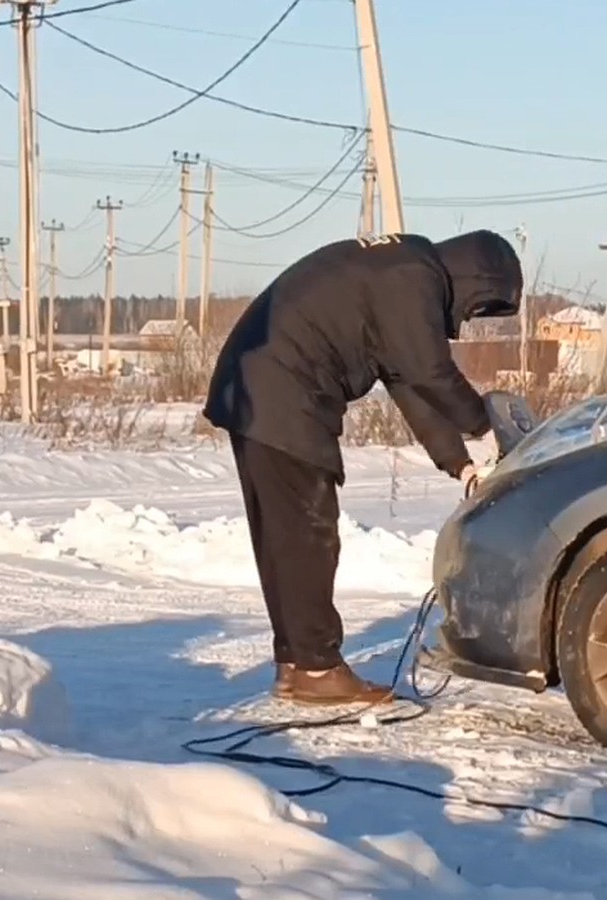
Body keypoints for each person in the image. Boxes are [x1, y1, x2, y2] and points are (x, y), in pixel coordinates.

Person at [202, 229, 523, 705]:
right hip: (281, 390)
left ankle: (296, 663)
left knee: (285, 536)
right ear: (475, 279)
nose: (471, 319)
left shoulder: (400, 271)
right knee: (308, 533)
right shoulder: (411, 275)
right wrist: (488, 426)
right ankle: (316, 667)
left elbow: (409, 382)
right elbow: (428, 371)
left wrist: (460, 465)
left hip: (255, 386)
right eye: (480, 307)